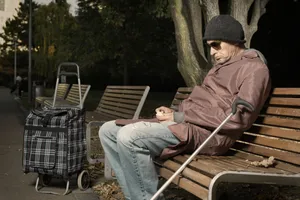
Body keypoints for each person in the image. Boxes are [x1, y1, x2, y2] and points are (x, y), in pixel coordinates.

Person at [98, 15, 271, 200]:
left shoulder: (255, 69)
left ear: (233, 41)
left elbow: (238, 118)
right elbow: (201, 102)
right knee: (107, 131)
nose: (212, 52)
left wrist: (181, 117)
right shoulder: (220, 67)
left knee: (129, 136)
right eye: (210, 46)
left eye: (216, 45)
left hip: (212, 135)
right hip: (189, 126)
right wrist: (175, 113)